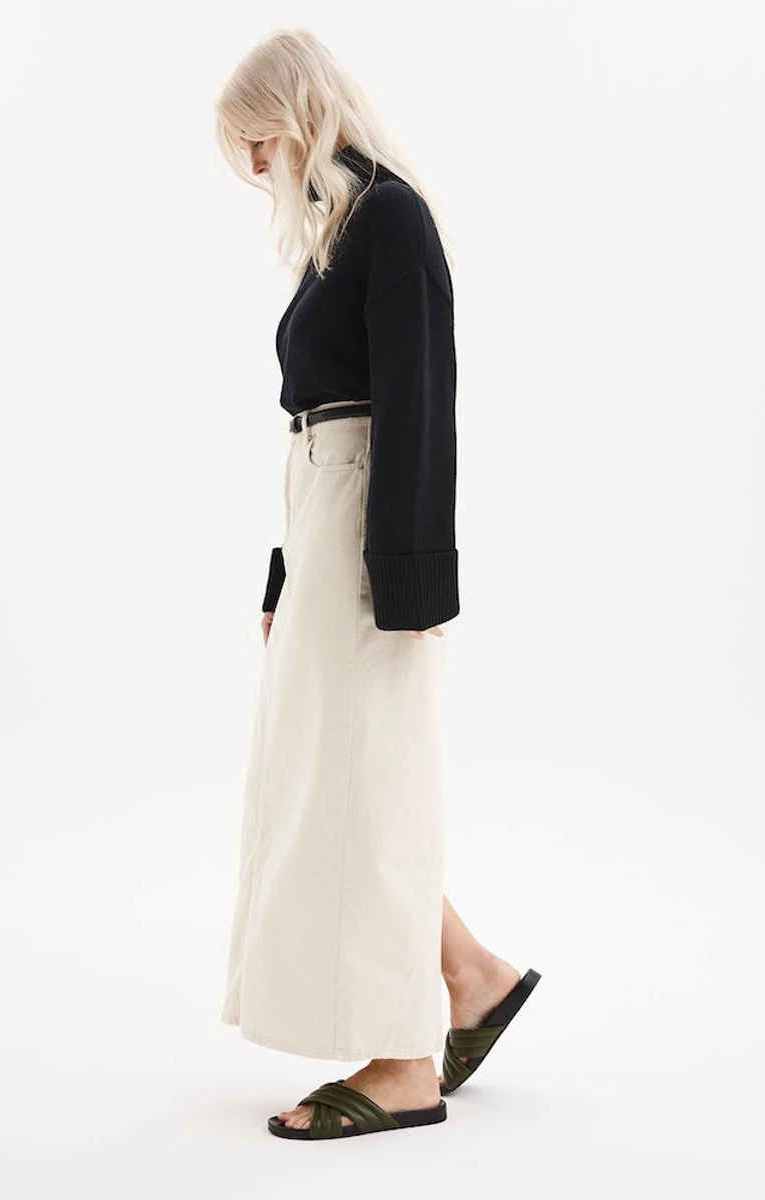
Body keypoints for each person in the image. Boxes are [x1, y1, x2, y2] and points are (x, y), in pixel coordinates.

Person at [214, 28, 541, 1141]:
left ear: (294, 112)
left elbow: (416, 403)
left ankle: (406, 1063)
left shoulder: (390, 218)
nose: (256, 166)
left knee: (367, 786)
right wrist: (285, 573)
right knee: (334, 785)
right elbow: (318, 430)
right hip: (325, 521)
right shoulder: (340, 229)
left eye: (257, 141)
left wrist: (409, 587)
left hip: (362, 529)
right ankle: (475, 979)